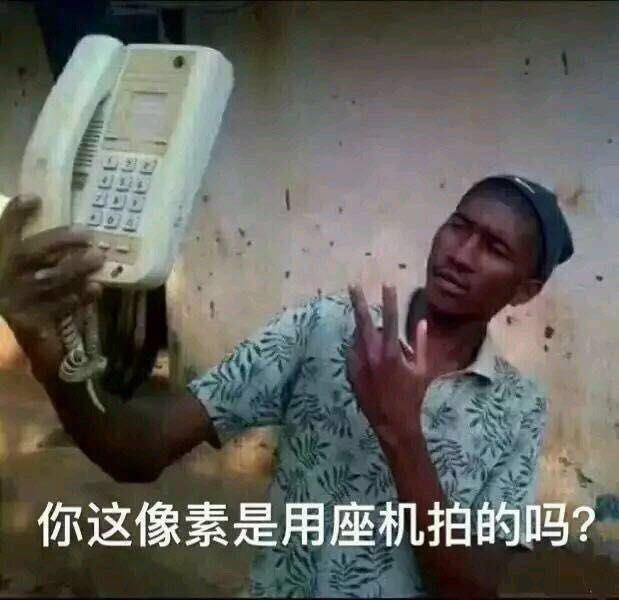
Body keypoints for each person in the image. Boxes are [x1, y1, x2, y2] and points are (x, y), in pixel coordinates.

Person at [0, 175, 574, 597]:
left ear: (524, 291)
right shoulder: (323, 328)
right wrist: (51, 355)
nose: (462, 254)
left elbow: (472, 587)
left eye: (495, 248)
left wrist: (402, 432)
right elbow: (137, 450)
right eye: (460, 226)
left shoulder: (518, 409)